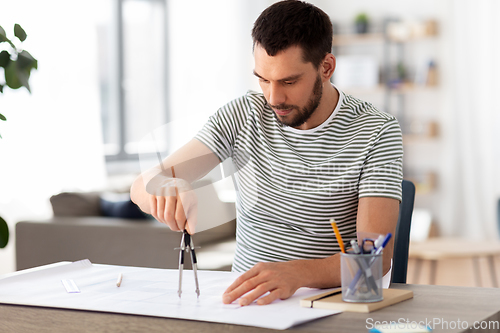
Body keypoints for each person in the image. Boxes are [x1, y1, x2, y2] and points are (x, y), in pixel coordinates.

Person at [131, 0, 403, 307]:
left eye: (289, 81)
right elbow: (141, 185)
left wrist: (297, 273)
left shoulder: (377, 131)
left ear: (326, 67)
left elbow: (375, 260)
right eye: (263, 79)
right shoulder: (243, 114)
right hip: (247, 304)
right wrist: (166, 185)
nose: (274, 98)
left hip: (327, 306)